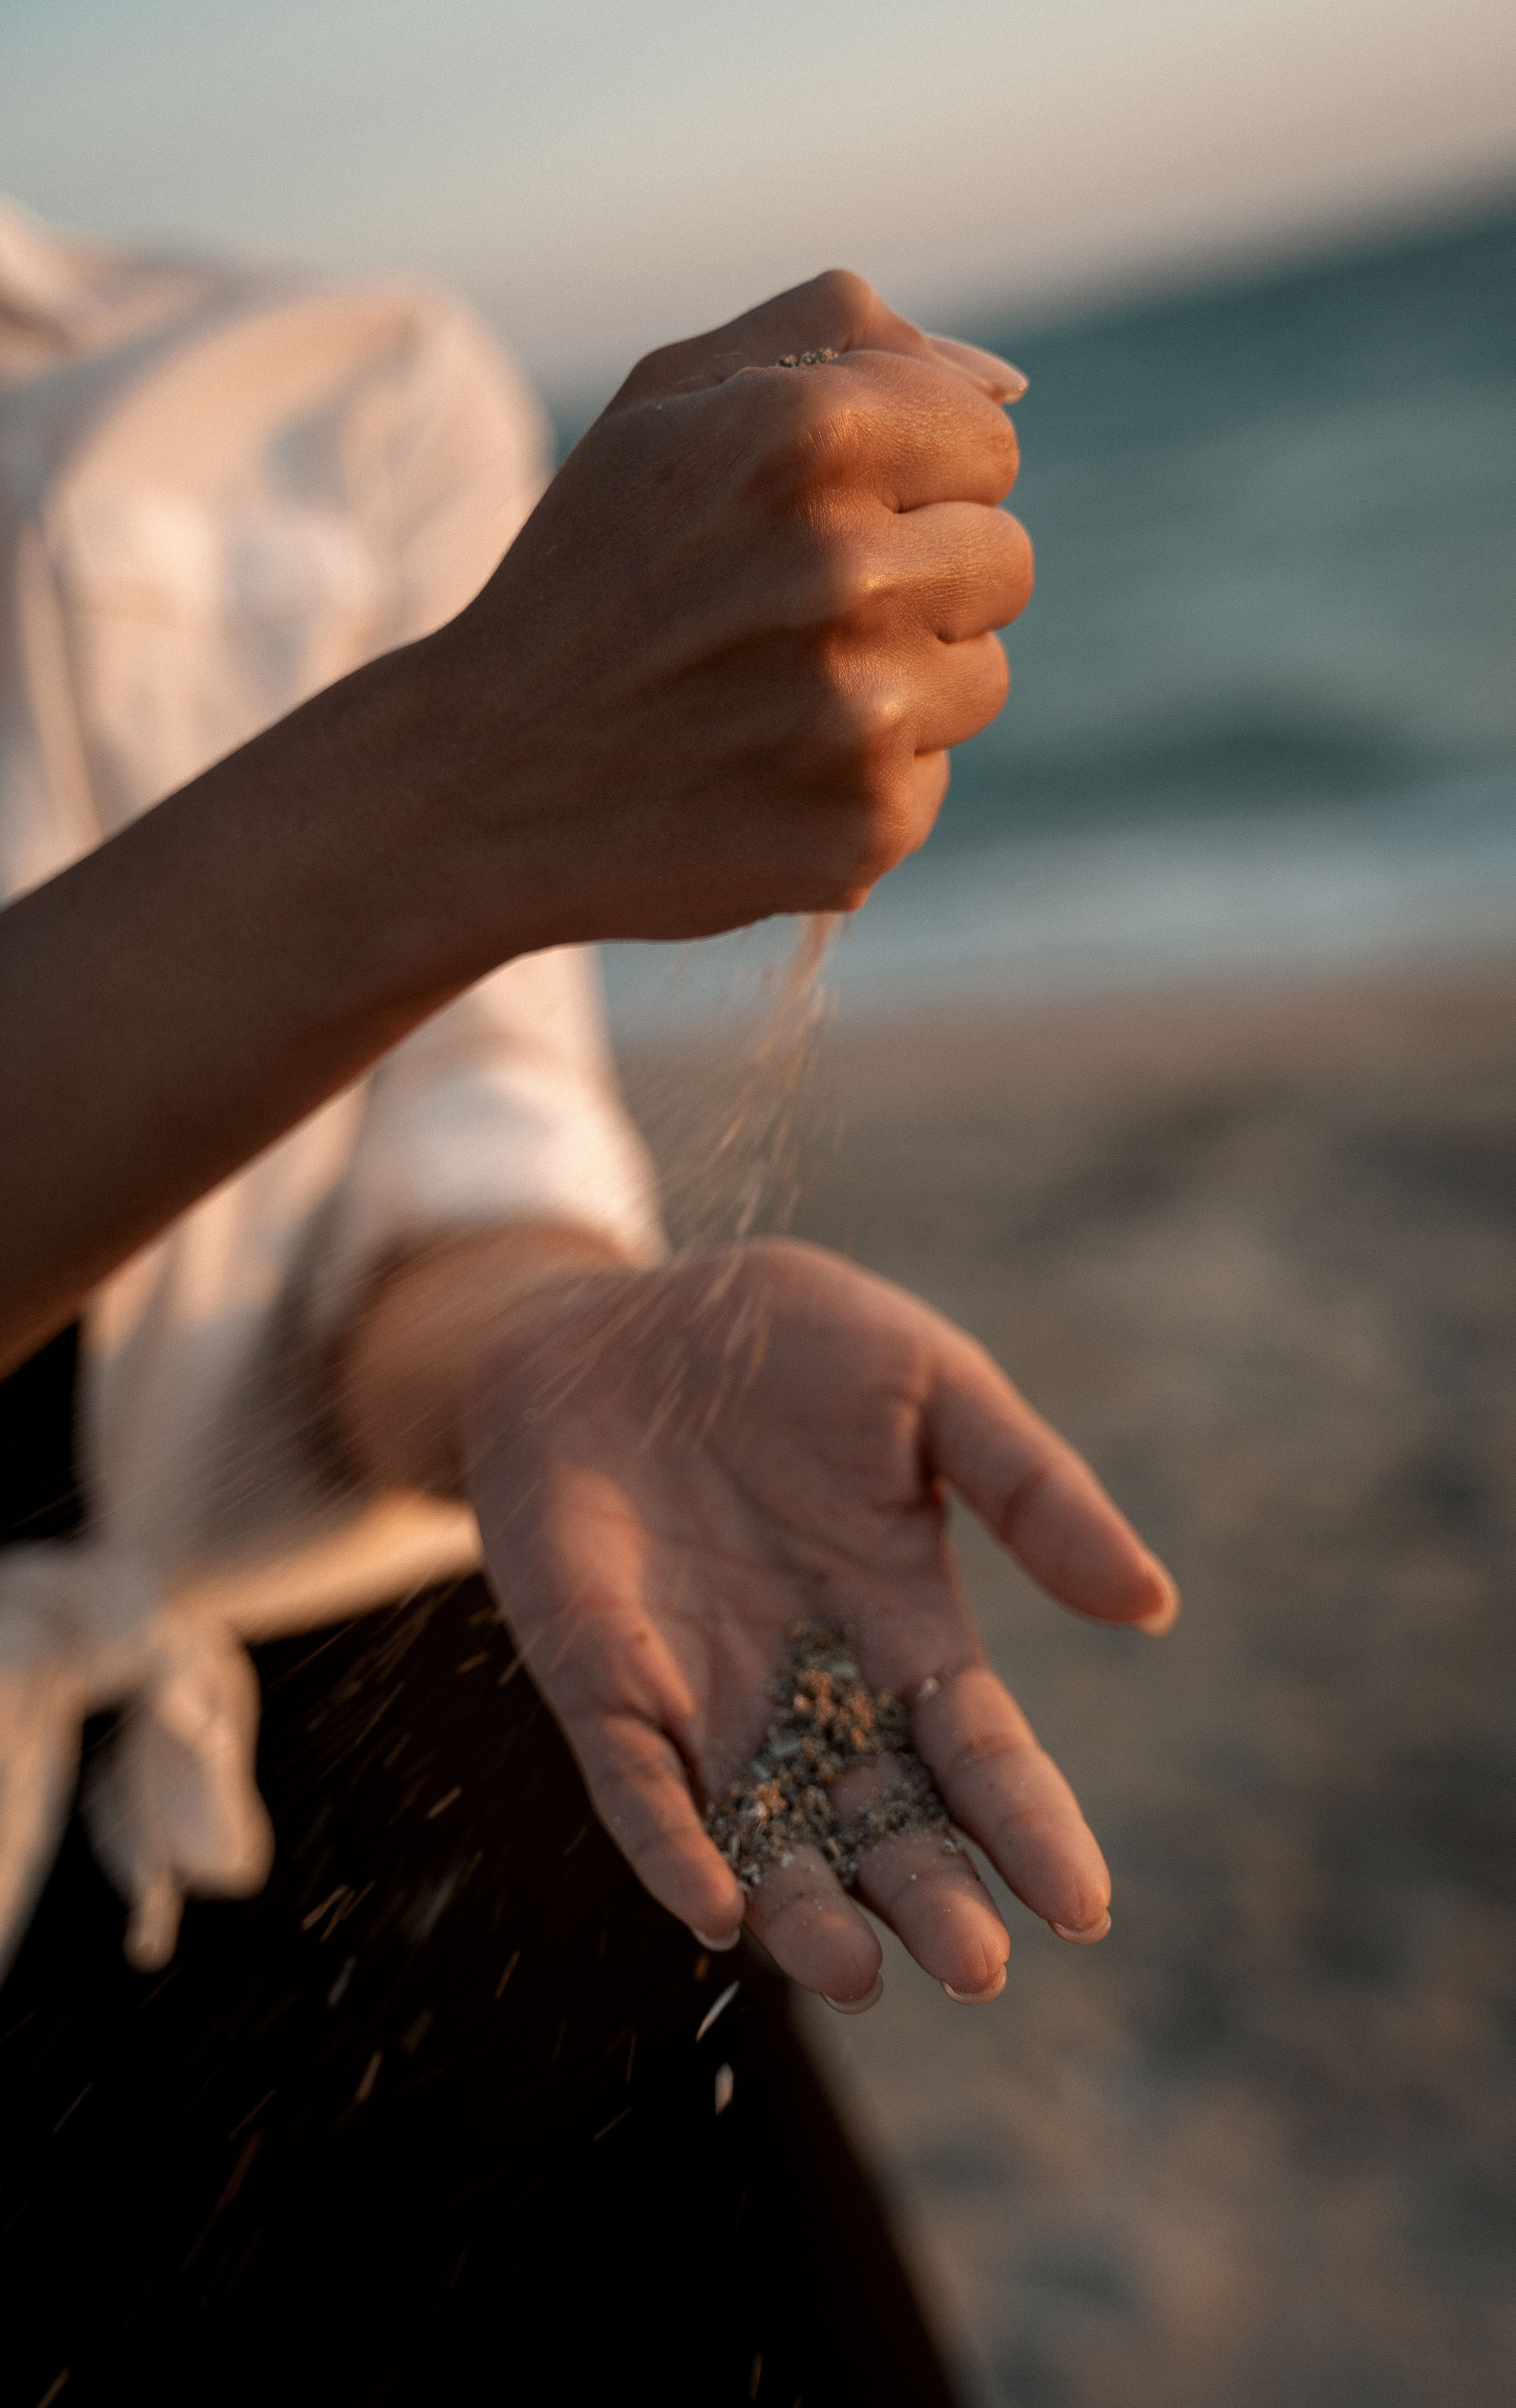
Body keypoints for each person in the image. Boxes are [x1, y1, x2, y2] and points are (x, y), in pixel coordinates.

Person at [0, 196, 1177, 2403]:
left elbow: (447, 1186)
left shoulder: (322, 384)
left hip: (487, 1752)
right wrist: (462, 770)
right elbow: (465, 807)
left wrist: (564, 1345)